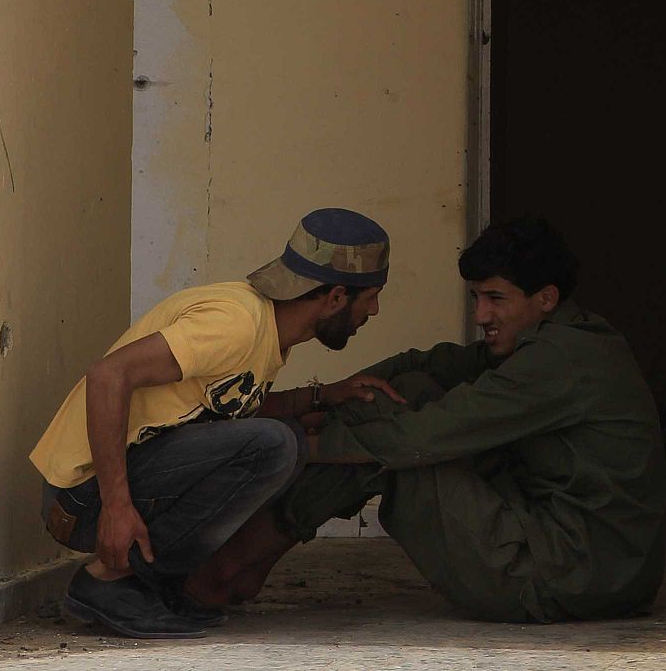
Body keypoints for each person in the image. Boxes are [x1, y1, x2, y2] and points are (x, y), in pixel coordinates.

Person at [191, 217, 666, 624]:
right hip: (600, 572)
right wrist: (336, 395)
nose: (481, 314)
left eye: (496, 299)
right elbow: (430, 364)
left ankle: (235, 565)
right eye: (477, 298)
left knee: (400, 434)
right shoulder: (565, 340)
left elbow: (423, 437)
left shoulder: (561, 360)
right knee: (403, 391)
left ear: (545, 298)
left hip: (559, 577)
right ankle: (248, 563)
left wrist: (302, 445)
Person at [29, 208, 400, 640]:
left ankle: (147, 587)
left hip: (104, 489)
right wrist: (116, 507)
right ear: (336, 297)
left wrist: (322, 397)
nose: (373, 311)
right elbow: (108, 376)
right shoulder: (236, 323)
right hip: (81, 498)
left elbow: (228, 410)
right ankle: (110, 582)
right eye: (370, 296)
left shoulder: (267, 329)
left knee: (279, 440)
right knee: (278, 446)